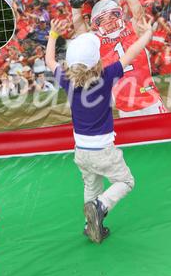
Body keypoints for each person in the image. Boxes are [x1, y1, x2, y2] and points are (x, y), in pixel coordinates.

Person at [45, 18, 153, 244]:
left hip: (81, 151)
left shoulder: (67, 80)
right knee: (126, 182)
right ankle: (100, 206)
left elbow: (49, 60)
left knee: (91, 185)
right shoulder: (105, 76)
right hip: (103, 150)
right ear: (96, 61)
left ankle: (90, 226)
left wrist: (53, 36)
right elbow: (131, 52)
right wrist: (147, 34)